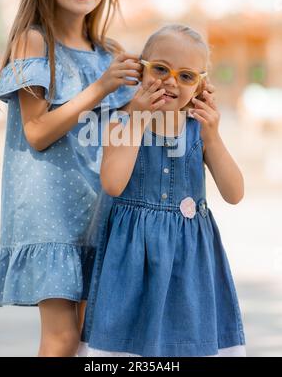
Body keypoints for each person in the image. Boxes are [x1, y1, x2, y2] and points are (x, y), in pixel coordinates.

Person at [0, 0, 141, 357]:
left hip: (100, 210)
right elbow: (36, 133)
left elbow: (123, 128)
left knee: (91, 336)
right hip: (50, 214)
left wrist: (168, 97)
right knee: (63, 337)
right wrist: (100, 89)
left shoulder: (109, 52)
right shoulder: (34, 41)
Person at [80, 24, 246, 357]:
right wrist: (139, 120)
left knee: (184, 339)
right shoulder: (121, 122)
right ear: (140, 69)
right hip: (131, 259)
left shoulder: (199, 128)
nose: (171, 82)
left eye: (186, 76)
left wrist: (213, 136)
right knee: (129, 348)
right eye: (160, 69)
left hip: (189, 260)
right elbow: (113, 183)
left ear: (200, 85)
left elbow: (234, 192)